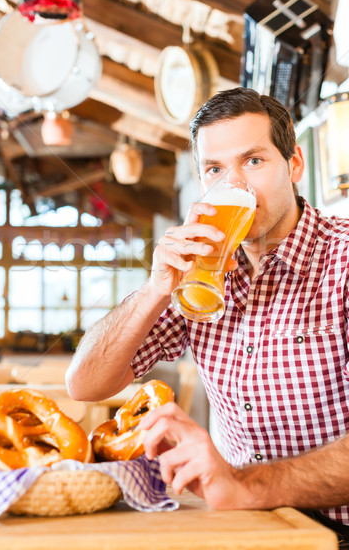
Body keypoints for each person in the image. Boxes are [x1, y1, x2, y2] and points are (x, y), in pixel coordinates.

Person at [66, 87, 349, 544]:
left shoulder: (342, 259)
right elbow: (85, 384)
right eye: (215, 169)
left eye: (253, 161)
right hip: (244, 526)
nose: (234, 185)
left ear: (294, 164)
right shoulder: (204, 271)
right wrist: (156, 288)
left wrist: (243, 485)